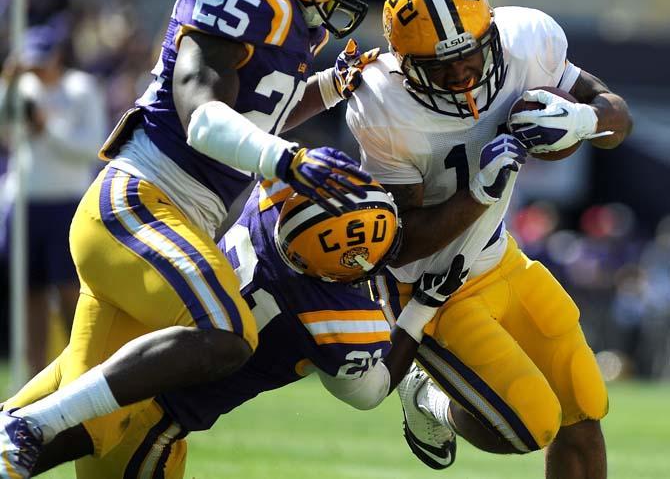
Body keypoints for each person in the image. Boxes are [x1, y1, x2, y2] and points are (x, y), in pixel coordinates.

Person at [0, 0, 379, 478]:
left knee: (103, 437)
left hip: (162, 221)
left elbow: (261, 111)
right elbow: (203, 117)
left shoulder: (295, 28)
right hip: (139, 205)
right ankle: (28, 423)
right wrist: (290, 161)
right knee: (226, 332)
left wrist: (332, 86)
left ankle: (19, 429)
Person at [345, 0, 633, 478]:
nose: (460, 76)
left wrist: (582, 121)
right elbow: (398, 244)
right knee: (529, 423)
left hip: (498, 257)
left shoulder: (528, 41)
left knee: (584, 411)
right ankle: (431, 400)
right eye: (438, 67)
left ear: (492, 33)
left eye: (467, 55)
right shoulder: (383, 107)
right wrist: (478, 193)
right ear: (404, 67)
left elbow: (619, 119)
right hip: (430, 287)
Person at [5, 175, 461, 478]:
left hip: (112, 352)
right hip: (143, 425)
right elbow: (371, 392)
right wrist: (421, 307)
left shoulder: (271, 199)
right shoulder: (336, 320)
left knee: (9, 439)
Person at [0, 23, 108, 374]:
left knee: (68, 292)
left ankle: (79, 368)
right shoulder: (22, 88)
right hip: (25, 201)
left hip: (67, 203)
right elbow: (5, 130)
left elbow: (93, 147)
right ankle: (33, 375)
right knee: (29, 293)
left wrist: (47, 129)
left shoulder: (80, 89)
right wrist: (8, 84)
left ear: (57, 57)